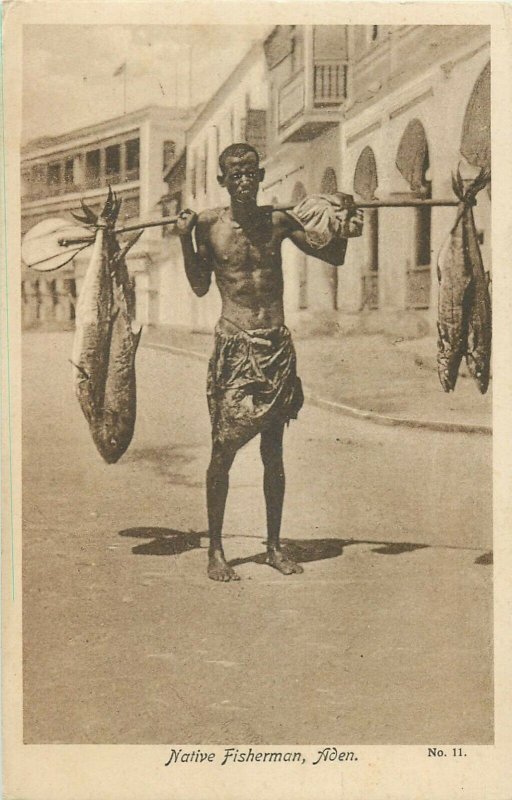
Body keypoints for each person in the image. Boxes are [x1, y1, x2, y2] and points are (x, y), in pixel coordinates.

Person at [176, 143, 363, 581]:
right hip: (235, 347)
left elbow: (333, 255)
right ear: (223, 181)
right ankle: (216, 550)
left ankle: (274, 546)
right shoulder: (208, 227)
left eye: (249, 173)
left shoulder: (278, 222)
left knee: (273, 453)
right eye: (234, 174)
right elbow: (201, 285)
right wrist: (185, 238)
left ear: (260, 178)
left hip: (275, 346)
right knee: (223, 450)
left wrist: (348, 220)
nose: (243, 181)